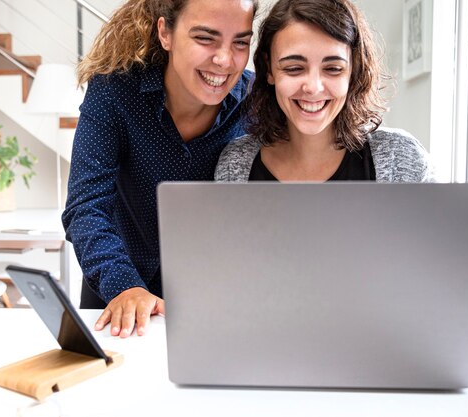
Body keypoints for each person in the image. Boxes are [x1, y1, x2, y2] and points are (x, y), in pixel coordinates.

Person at [63, 0, 257, 338]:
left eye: (240, 42)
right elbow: (86, 207)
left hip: (214, 304)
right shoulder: (114, 91)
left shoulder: (259, 103)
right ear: (165, 32)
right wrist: (125, 287)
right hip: (117, 294)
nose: (225, 60)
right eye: (205, 38)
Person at [215, 0, 434, 183]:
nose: (313, 87)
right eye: (294, 68)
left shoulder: (400, 159)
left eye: (333, 69)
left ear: (353, 70)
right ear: (269, 68)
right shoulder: (236, 165)